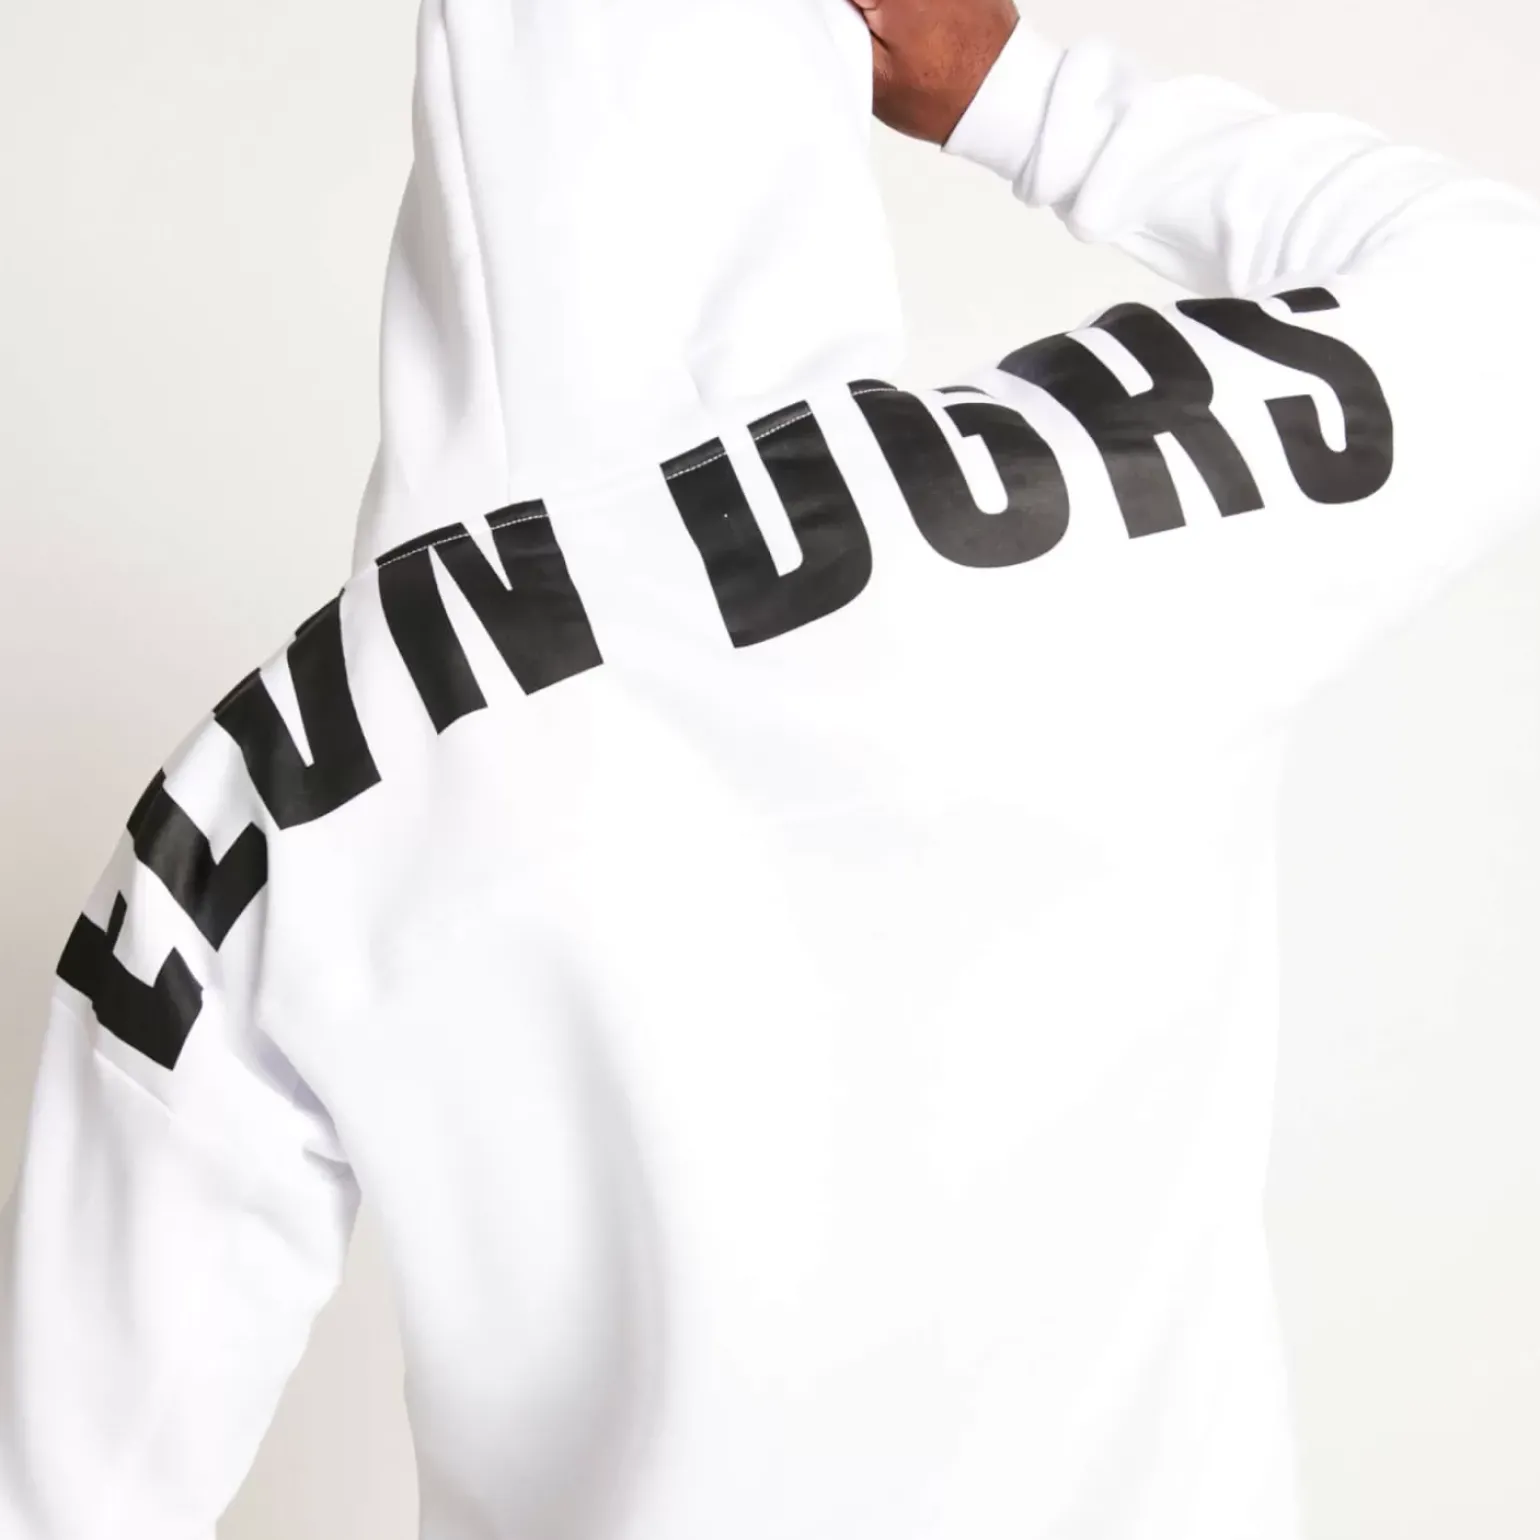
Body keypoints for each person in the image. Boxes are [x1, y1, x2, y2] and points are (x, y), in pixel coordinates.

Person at [2, 1, 1537, 1536]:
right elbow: (1505, 298)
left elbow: (73, 1486)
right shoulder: (1117, 502)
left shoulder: (276, 786)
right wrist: (1027, 99)